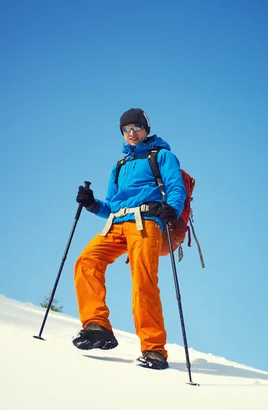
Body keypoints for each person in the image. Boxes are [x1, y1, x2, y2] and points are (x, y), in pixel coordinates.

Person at [72, 108, 186, 370]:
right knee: (86, 261)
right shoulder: (120, 165)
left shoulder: (162, 156)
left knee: (143, 281)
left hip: (146, 223)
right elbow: (112, 205)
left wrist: (173, 208)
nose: (132, 133)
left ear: (146, 129)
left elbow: (175, 187)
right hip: (116, 224)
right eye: (126, 129)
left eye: (136, 128)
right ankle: (97, 325)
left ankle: (154, 349)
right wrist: (91, 204)